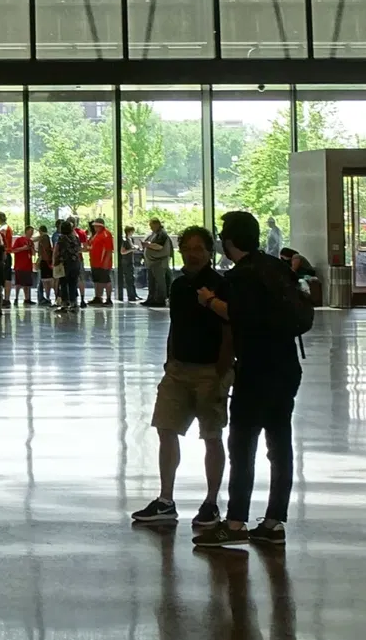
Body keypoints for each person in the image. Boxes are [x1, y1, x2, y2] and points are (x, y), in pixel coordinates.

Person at [194, 211, 301, 548]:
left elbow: (237, 315)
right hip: (287, 367)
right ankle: (273, 523)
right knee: (279, 445)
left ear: (229, 241)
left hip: (256, 369)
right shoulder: (275, 267)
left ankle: (236, 522)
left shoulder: (242, 276)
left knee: (242, 446)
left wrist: (210, 301)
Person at [133, 226, 231, 530]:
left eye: (198, 248)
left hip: (210, 371)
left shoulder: (221, 285)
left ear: (209, 251)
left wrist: (224, 369)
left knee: (211, 435)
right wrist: (170, 360)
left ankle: (211, 502)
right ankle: (166, 499)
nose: (192, 254)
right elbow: (175, 326)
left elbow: (230, 327)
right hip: (178, 369)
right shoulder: (178, 286)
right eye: (187, 248)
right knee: (166, 428)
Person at [54, 220, 83, 311]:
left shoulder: (61, 238)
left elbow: (56, 251)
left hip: (64, 263)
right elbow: (79, 249)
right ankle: (74, 303)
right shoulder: (76, 238)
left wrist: (54, 261)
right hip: (75, 263)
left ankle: (64, 304)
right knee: (73, 284)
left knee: (63, 283)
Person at [143, 219, 173, 308]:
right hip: (152, 262)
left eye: (152, 226)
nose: (151, 228)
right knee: (152, 281)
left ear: (157, 225)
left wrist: (148, 245)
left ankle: (160, 300)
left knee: (159, 281)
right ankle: (151, 298)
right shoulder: (154, 234)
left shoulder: (162, 234)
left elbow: (159, 246)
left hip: (159, 262)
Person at [87, 220, 115, 306]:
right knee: (97, 280)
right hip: (94, 262)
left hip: (102, 263)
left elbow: (109, 250)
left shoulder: (106, 234)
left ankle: (108, 299)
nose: (95, 228)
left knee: (105, 280)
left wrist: (106, 262)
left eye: (97, 226)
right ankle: (98, 297)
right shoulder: (96, 234)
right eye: (94, 226)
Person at [12, 225, 36, 306]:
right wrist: (23, 248)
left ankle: (27, 298)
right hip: (20, 265)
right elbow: (14, 250)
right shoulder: (19, 240)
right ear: (26, 231)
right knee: (18, 283)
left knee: (27, 284)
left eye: (32, 232)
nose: (31, 233)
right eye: (30, 231)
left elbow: (33, 254)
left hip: (28, 265)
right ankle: (16, 298)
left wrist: (32, 248)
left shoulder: (31, 242)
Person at [120, 225, 140, 302]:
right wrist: (131, 249)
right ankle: (131, 295)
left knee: (131, 278)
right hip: (126, 262)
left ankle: (133, 294)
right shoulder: (125, 240)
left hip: (130, 261)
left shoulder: (130, 239)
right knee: (129, 279)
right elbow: (122, 252)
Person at [36, 225, 55, 307]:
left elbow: (43, 251)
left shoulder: (43, 238)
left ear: (40, 231)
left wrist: (38, 261)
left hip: (45, 261)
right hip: (48, 261)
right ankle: (47, 296)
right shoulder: (46, 237)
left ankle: (46, 297)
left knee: (45, 281)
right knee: (47, 280)